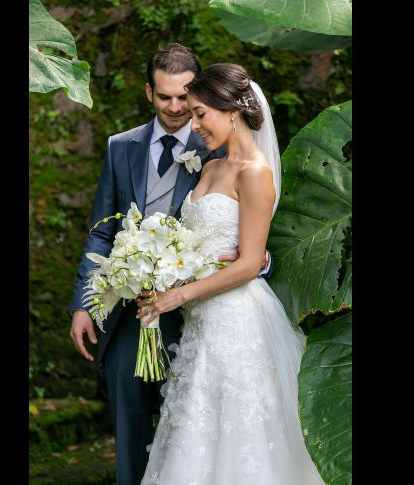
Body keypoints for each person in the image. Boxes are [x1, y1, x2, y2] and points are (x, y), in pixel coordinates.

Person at [68, 44, 272, 485]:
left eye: (189, 101)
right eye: (166, 98)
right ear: (149, 93)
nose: (180, 111)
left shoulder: (221, 150)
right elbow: (101, 231)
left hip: (200, 311)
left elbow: (246, 235)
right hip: (132, 309)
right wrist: (85, 303)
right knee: (133, 417)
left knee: (200, 428)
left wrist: (259, 261)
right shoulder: (120, 148)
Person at [136, 64, 326, 484]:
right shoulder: (208, 168)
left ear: (232, 111)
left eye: (201, 113)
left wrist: (177, 297)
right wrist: (159, 270)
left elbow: (248, 263)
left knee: (241, 436)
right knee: (195, 428)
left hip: (237, 322)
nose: (194, 123)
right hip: (200, 322)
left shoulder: (255, 172)